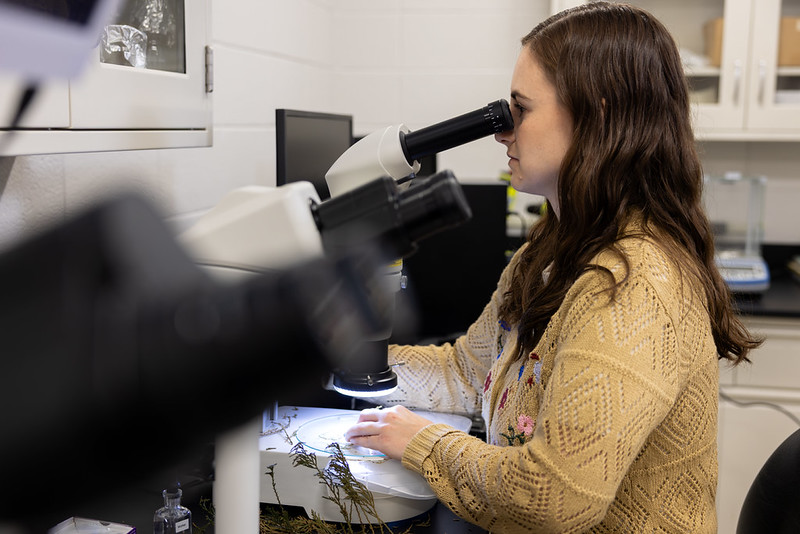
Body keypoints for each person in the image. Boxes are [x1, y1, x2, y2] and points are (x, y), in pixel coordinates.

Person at [344, 2, 762, 532]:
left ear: (599, 116)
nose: (502, 131)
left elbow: (553, 497)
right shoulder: (549, 252)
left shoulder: (633, 285)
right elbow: (467, 374)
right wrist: (340, 357)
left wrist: (421, 443)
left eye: (520, 109)